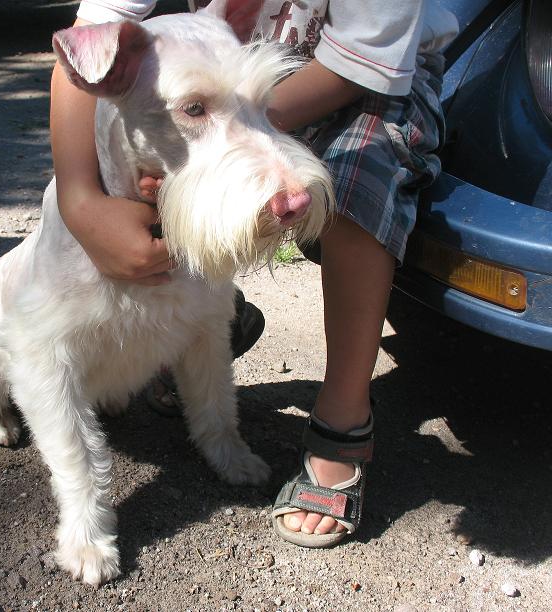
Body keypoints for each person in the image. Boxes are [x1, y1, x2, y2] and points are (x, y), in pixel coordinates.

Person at [49, 0, 457, 547]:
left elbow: (363, 64)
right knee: (154, 170)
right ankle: (199, 313)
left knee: (363, 176)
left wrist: (240, 119)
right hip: (225, 71)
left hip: (370, 81)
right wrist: (81, 199)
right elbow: (84, 44)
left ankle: (343, 420)